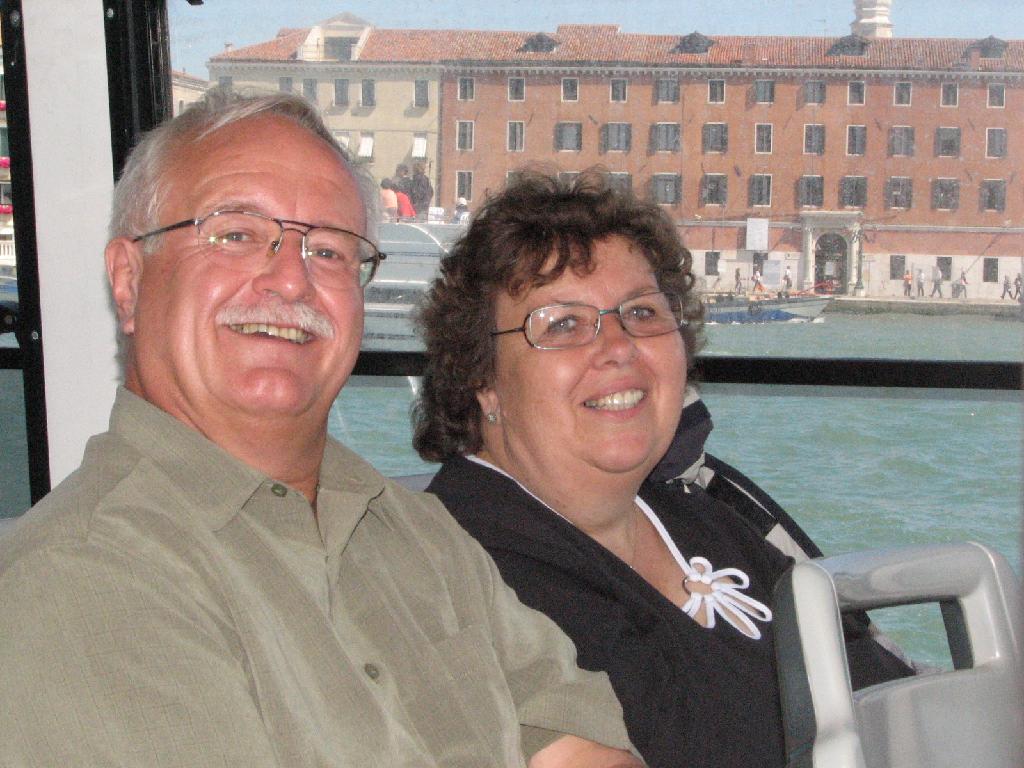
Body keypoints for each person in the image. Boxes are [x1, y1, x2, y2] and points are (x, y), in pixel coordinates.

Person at [0, 93, 642, 767]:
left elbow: (578, 746)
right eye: (236, 234)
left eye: (330, 250)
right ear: (128, 281)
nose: (291, 280)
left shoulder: (418, 535)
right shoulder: (82, 579)